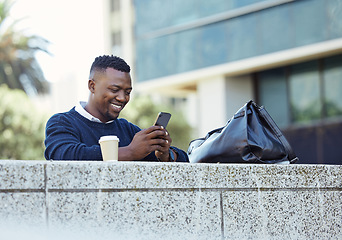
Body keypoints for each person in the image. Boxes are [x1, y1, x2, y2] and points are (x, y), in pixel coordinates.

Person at [44, 55, 188, 162]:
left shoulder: (128, 129)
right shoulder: (62, 122)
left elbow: (185, 160)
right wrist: (130, 152)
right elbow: (65, 156)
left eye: (127, 92)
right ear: (92, 86)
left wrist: (164, 155)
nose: (122, 98)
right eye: (114, 89)